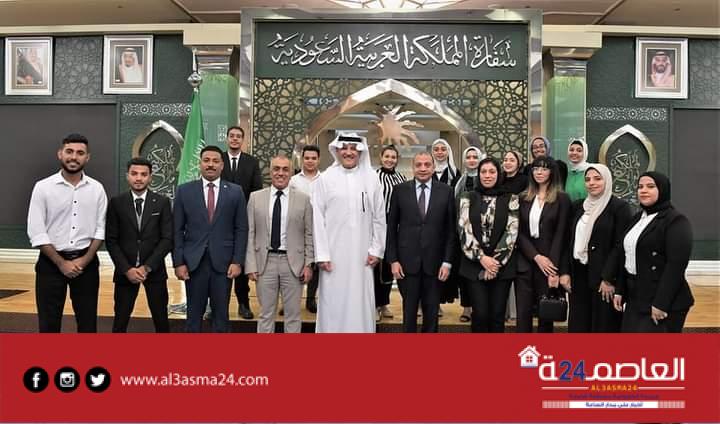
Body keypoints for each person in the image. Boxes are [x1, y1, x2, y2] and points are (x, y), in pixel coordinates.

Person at [27, 133, 107, 332]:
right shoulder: (43, 188)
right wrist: (61, 263)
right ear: (60, 154)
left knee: (88, 325)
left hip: (86, 265)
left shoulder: (97, 189)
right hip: (50, 264)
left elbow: (101, 229)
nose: (74, 157)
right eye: (69, 151)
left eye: (80, 153)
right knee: (49, 326)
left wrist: (84, 260)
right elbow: (36, 230)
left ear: (87, 157)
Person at [312, 133, 386, 333]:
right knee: (332, 303)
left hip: (363, 257)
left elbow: (379, 218)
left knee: (361, 302)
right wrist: (322, 254)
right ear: (337, 150)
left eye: (353, 148)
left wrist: (376, 249)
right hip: (333, 257)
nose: (348, 152)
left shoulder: (372, 179)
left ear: (360, 151)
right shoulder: (325, 179)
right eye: (344, 148)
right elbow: (317, 219)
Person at [173, 145, 248, 332]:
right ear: (200, 164)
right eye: (206, 160)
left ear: (222, 165)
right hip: (193, 264)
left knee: (221, 317)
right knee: (193, 317)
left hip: (224, 265)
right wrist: (178, 262)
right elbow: (177, 230)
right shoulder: (184, 191)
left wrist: (237, 261)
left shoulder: (236, 192)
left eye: (215, 161)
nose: (211, 165)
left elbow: (241, 229)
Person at [611, 172, 694, 333]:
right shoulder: (637, 219)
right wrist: (620, 290)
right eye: (640, 187)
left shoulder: (676, 221)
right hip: (636, 297)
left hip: (663, 301)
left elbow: (675, 266)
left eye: (650, 186)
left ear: (662, 190)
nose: (643, 190)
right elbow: (625, 257)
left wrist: (661, 303)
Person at [386, 151, 456, 333]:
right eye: (418, 165)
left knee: (431, 314)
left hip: (435, 264)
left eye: (427, 165)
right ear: (413, 167)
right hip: (406, 264)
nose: (423, 168)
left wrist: (447, 262)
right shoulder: (399, 190)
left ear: (433, 167)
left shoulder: (446, 192)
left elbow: (451, 231)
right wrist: (393, 260)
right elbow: (391, 228)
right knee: (409, 313)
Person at [245, 155, 314, 333]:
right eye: (276, 169)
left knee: (293, 315)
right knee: (266, 314)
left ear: (291, 173)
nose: (280, 173)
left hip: (294, 265)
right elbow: (250, 233)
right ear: (270, 171)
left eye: (285, 169)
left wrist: (308, 264)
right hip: (264, 263)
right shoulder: (255, 198)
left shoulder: (304, 199)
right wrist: (250, 264)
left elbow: (309, 234)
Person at [105, 158, 173, 333]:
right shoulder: (116, 203)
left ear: (150, 177)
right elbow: (111, 240)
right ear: (127, 176)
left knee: (161, 321)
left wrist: (147, 267)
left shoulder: (162, 202)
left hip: (154, 271)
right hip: (125, 272)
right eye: (134, 174)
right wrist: (127, 269)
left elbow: (167, 239)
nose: (138, 178)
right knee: (120, 321)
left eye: (143, 174)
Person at [566, 164, 631, 333]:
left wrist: (608, 278)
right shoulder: (578, 206)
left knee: (602, 325)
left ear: (607, 180)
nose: (592, 183)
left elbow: (620, 246)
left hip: (603, 277)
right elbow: (569, 240)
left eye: (597, 178)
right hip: (578, 274)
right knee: (579, 324)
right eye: (587, 179)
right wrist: (565, 272)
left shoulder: (619, 208)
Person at [457, 158, 519, 333]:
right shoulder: (467, 197)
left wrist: (494, 264)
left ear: (499, 174)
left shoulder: (511, 198)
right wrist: (482, 258)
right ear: (478, 174)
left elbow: (512, 231)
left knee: (497, 315)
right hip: (474, 265)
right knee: (480, 314)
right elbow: (464, 230)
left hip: (501, 267)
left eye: (492, 172)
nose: (487, 175)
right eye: (483, 172)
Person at [516, 156, 571, 333]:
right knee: (523, 314)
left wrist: (554, 269)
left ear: (552, 172)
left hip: (549, 263)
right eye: (536, 168)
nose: (539, 172)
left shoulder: (562, 199)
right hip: (526, 261)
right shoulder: (523, 197)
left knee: (546, 314)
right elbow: (518, 232)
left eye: (544, 168)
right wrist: (536, 256)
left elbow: (561, 235)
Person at [221, 126, 263, 320]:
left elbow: (256, 191)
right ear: (227, 138)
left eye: (238, 136)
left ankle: (243, 304)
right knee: (220, 265)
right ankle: (217, 306)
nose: (235, 139)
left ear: (243, 140)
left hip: (244, 221)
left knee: (241, 264)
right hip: (220, 220)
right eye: (232, 136)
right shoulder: (218, 159)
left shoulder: (251, 162)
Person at [374, 144, 406, 322]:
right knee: (375, 267)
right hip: (377, 225)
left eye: (393, 157)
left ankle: (384, 303)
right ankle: (374, 304)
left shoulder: (401, 178)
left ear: (397, 159)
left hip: (396, 227)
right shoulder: (373, 177)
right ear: (381, 157)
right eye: (387, 156)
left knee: (388, 266)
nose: (390, 160)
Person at [289, 144, 321, 313]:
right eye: (307, 158)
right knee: (295, 264)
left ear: (318, 160)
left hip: (318, 228)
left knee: (314, 264)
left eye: (313, 158)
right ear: (302, 159)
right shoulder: (293, 181)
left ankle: (310, 299)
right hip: (297, 228)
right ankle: (289, 301)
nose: (310, 161)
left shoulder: (325, 180)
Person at [454, 146, 485, 322]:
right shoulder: (460, 181)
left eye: (475, 157)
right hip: (463, 231)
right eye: (469, 157)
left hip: (482, 232)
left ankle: (479, 308)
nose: (472, 160)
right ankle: (466, 308)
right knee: (464, 272)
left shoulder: (485, 178)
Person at [431, 138, 460, 313]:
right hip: (430, 226)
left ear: (448, 152)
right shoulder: (426, 170)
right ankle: (429, 302)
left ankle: (439, 301)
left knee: (445, 263)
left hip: (448, 225)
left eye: (443, 149)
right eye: (436, 149)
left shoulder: (455, 173)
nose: (440, 152)